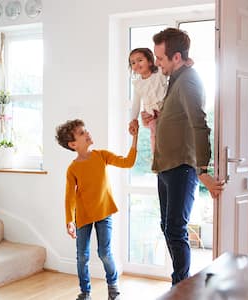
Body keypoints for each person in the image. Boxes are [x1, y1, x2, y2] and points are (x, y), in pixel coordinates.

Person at [130, 28, 224, 285]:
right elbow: (176, 118)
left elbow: (199, 124)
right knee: (167, 227)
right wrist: (155, 117)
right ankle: (181, 282)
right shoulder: (175, 79)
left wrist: (202, 170)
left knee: (175, 229)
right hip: (166, 167)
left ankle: (181, 285)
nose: (157, 63)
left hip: (182, 167)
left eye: (160, 59)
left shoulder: (189, 80)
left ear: (177, 57)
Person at [55, 119, 138, 300]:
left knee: (104, 253)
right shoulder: (73, 169)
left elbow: (128, 162)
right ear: (73, 144)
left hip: (104, 212)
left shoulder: (101, 155)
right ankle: (85, 293)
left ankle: (113, 288)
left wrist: (135, 138)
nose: (88, 133)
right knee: (82, 257)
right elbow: (69, 196)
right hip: (83, 216)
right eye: (82, 132)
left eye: (86, 130)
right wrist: (69, 220)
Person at [129, 48, 167, 152]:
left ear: (150, 61)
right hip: (152, 115)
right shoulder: (137, 84)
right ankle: (156, 157)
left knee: (166, 135)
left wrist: (187, 62)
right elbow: (136, 104)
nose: (136, 64)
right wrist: (133, 120)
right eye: (133, 63)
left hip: (165, 112)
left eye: (140, 60)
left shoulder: (159, 73)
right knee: (154, 134)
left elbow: (173, 71)